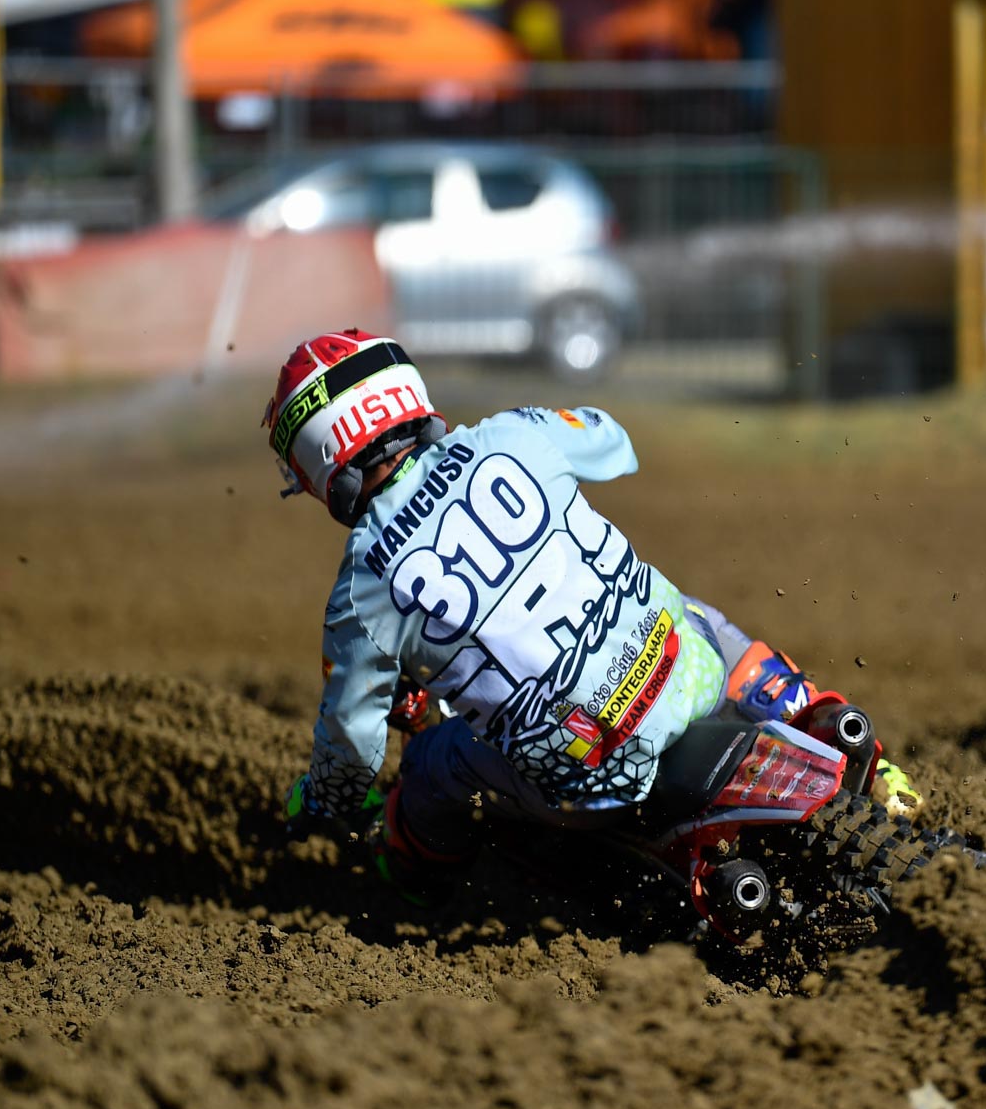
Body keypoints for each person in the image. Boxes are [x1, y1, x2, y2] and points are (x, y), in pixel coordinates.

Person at [265, 329, 921, 902]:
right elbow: (612, 441)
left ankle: (415, 900)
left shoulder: (362, 588)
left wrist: (321, 799)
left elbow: (352, 751)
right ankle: (844, 742)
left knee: (432, 765)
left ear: (322, 459)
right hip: (685, 675)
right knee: (693, 614)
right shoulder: (510, 435)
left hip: (584, 782)